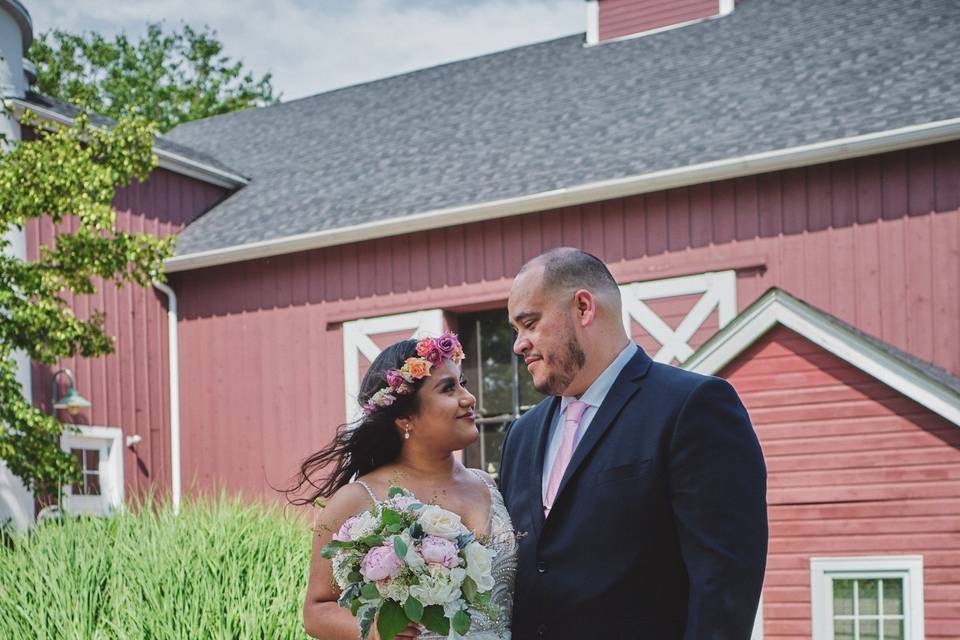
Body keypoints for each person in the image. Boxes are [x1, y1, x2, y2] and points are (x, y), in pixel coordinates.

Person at [499, 247, 767, 639]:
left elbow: (723, 587)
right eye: (516, 330)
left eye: (530, 323)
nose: (518, 344)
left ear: (584, 308)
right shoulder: (521, 435)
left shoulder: (692, 407)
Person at [293, 334, 517, 640]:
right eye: (448, 388)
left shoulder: (486, 483)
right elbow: (316, 611)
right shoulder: (357, 500)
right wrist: (373, 631)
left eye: (461, 382)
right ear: (405, 418)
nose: (468, 397)